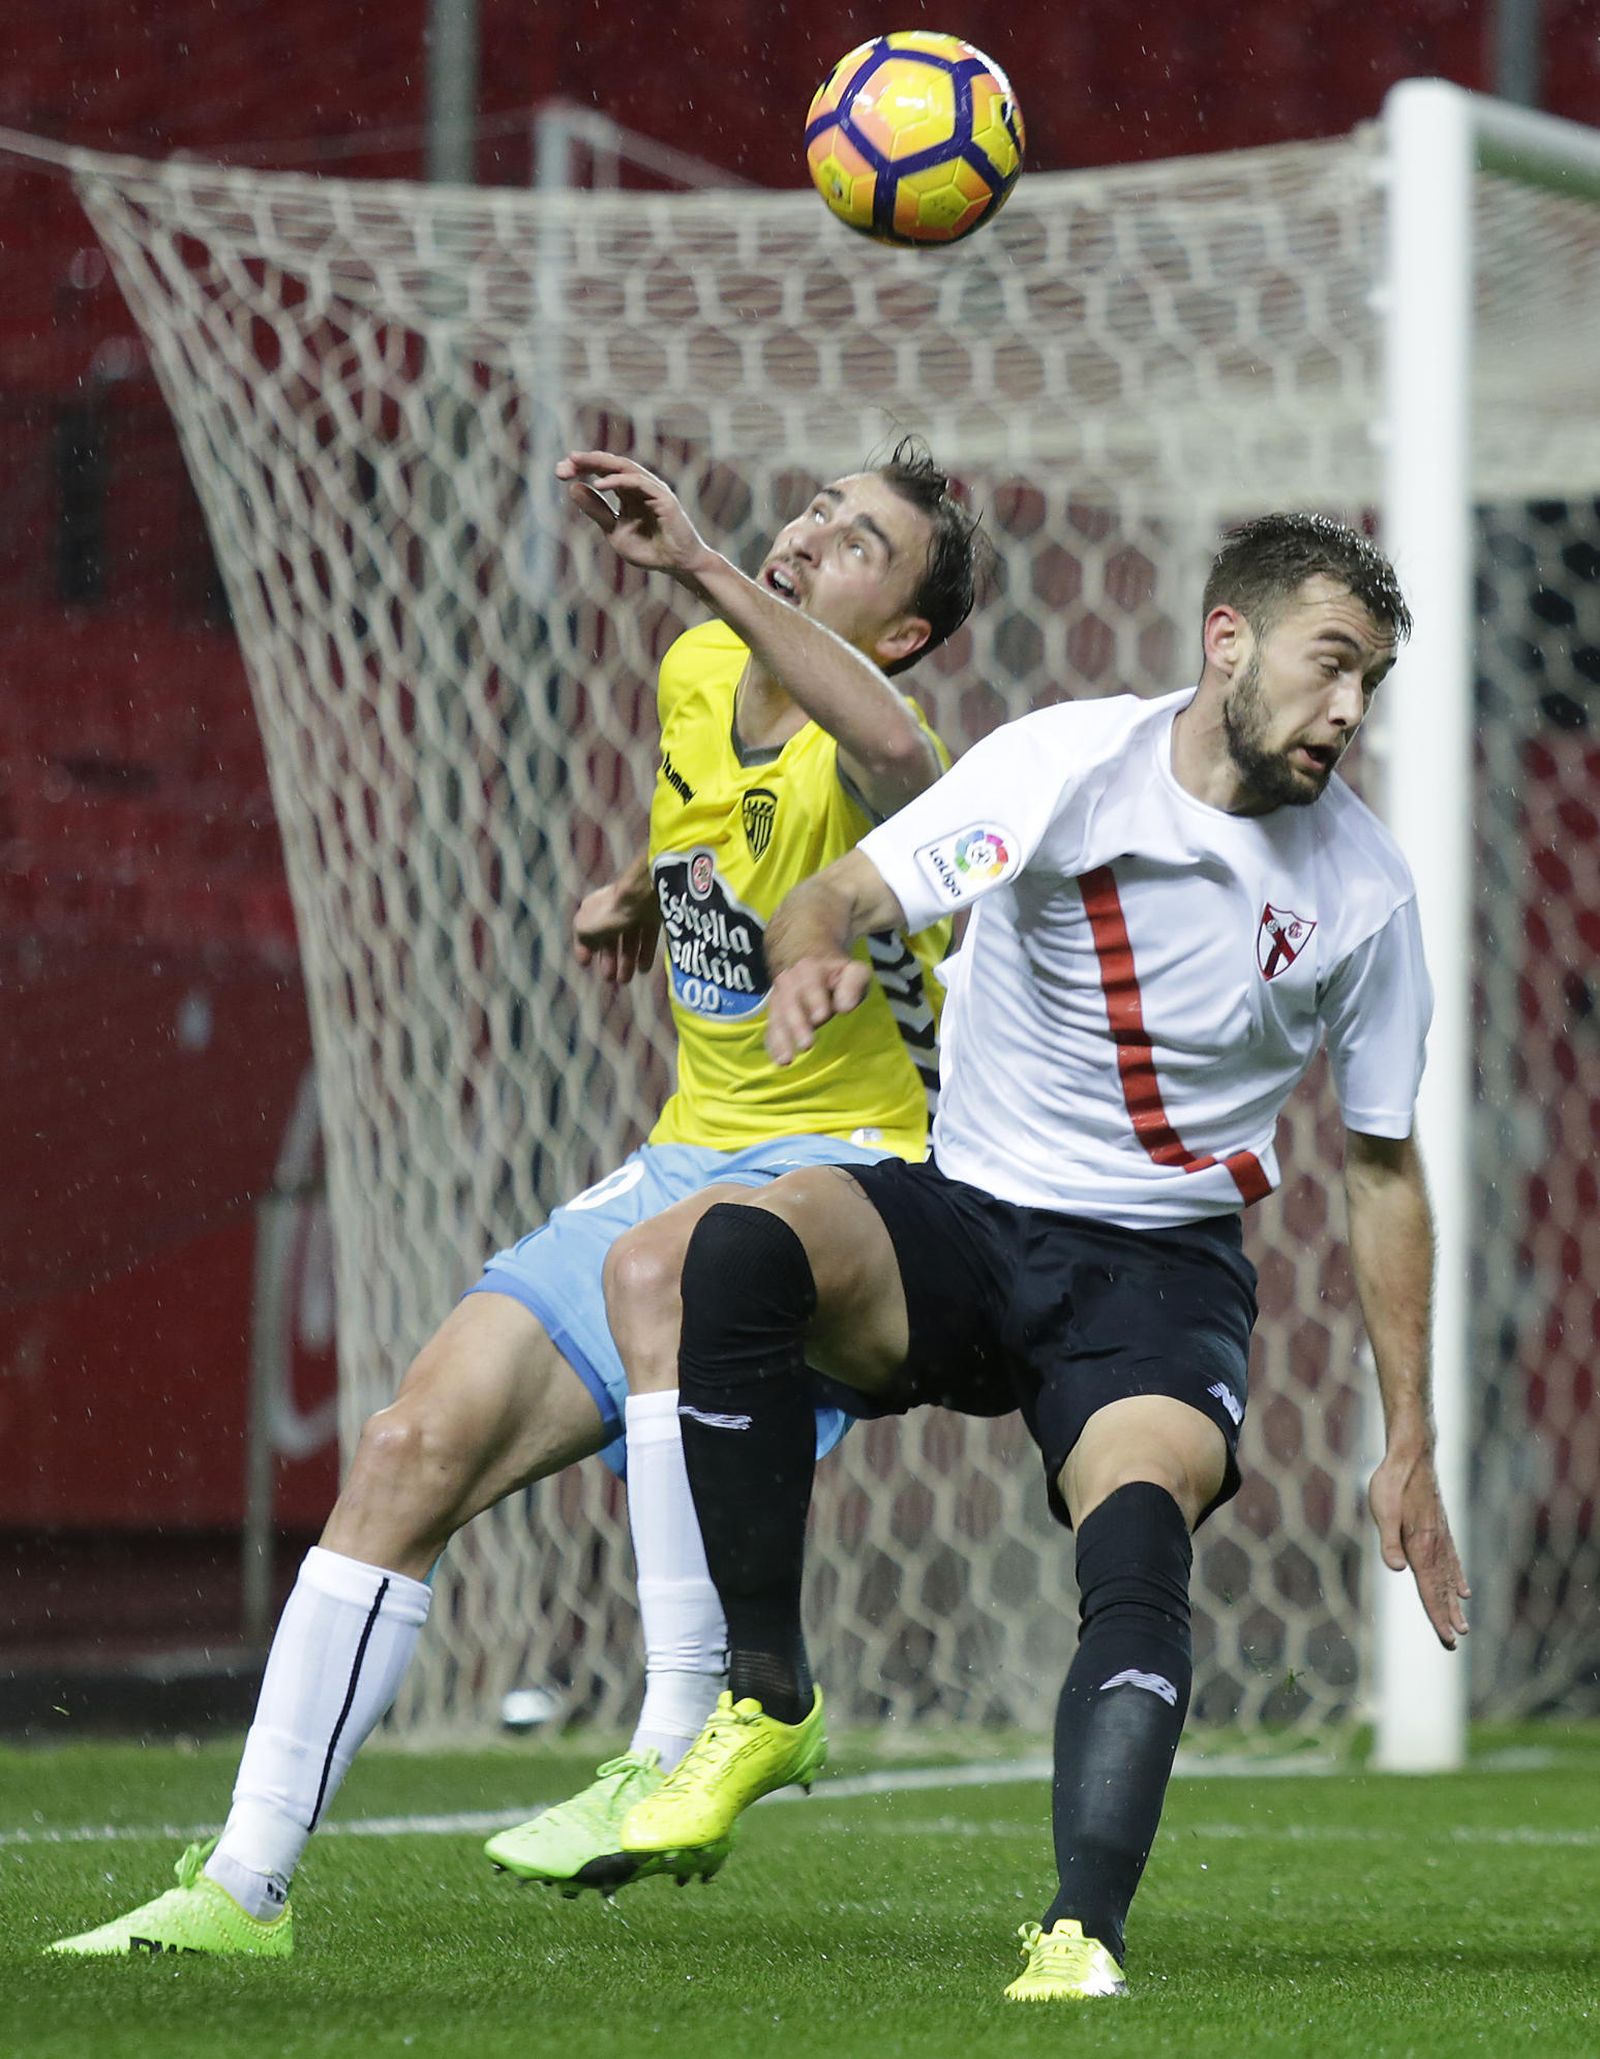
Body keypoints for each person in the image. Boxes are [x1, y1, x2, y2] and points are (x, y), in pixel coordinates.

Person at [49, 439, 986, 1956]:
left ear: (905, 632)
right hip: (687, 1150)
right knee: (408, 1447)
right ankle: (240, 1890)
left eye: (863, 542)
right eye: (818, 505)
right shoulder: (695, 671)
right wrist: (639, 885)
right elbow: (710, 828)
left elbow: (899, 765)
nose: (814, 528)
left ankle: (691, 1724)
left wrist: (702, 562)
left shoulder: (884, 729)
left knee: (677, 1273)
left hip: (850, 1185)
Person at [606, 514, 1472, 2004]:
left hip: (1153, 1280)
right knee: (736, 1250)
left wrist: (1410, 1436)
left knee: (1136, 1537)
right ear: (1226, 641)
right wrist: (812, 941)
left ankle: (1081, 1934)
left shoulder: (1364, 895)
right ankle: (766, 1692)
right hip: (969, 1219)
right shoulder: (1062, 765)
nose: (1349, 710)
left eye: (1373, 683)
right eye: (1331, 666)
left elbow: (1385, 1169)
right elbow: (852, 891)